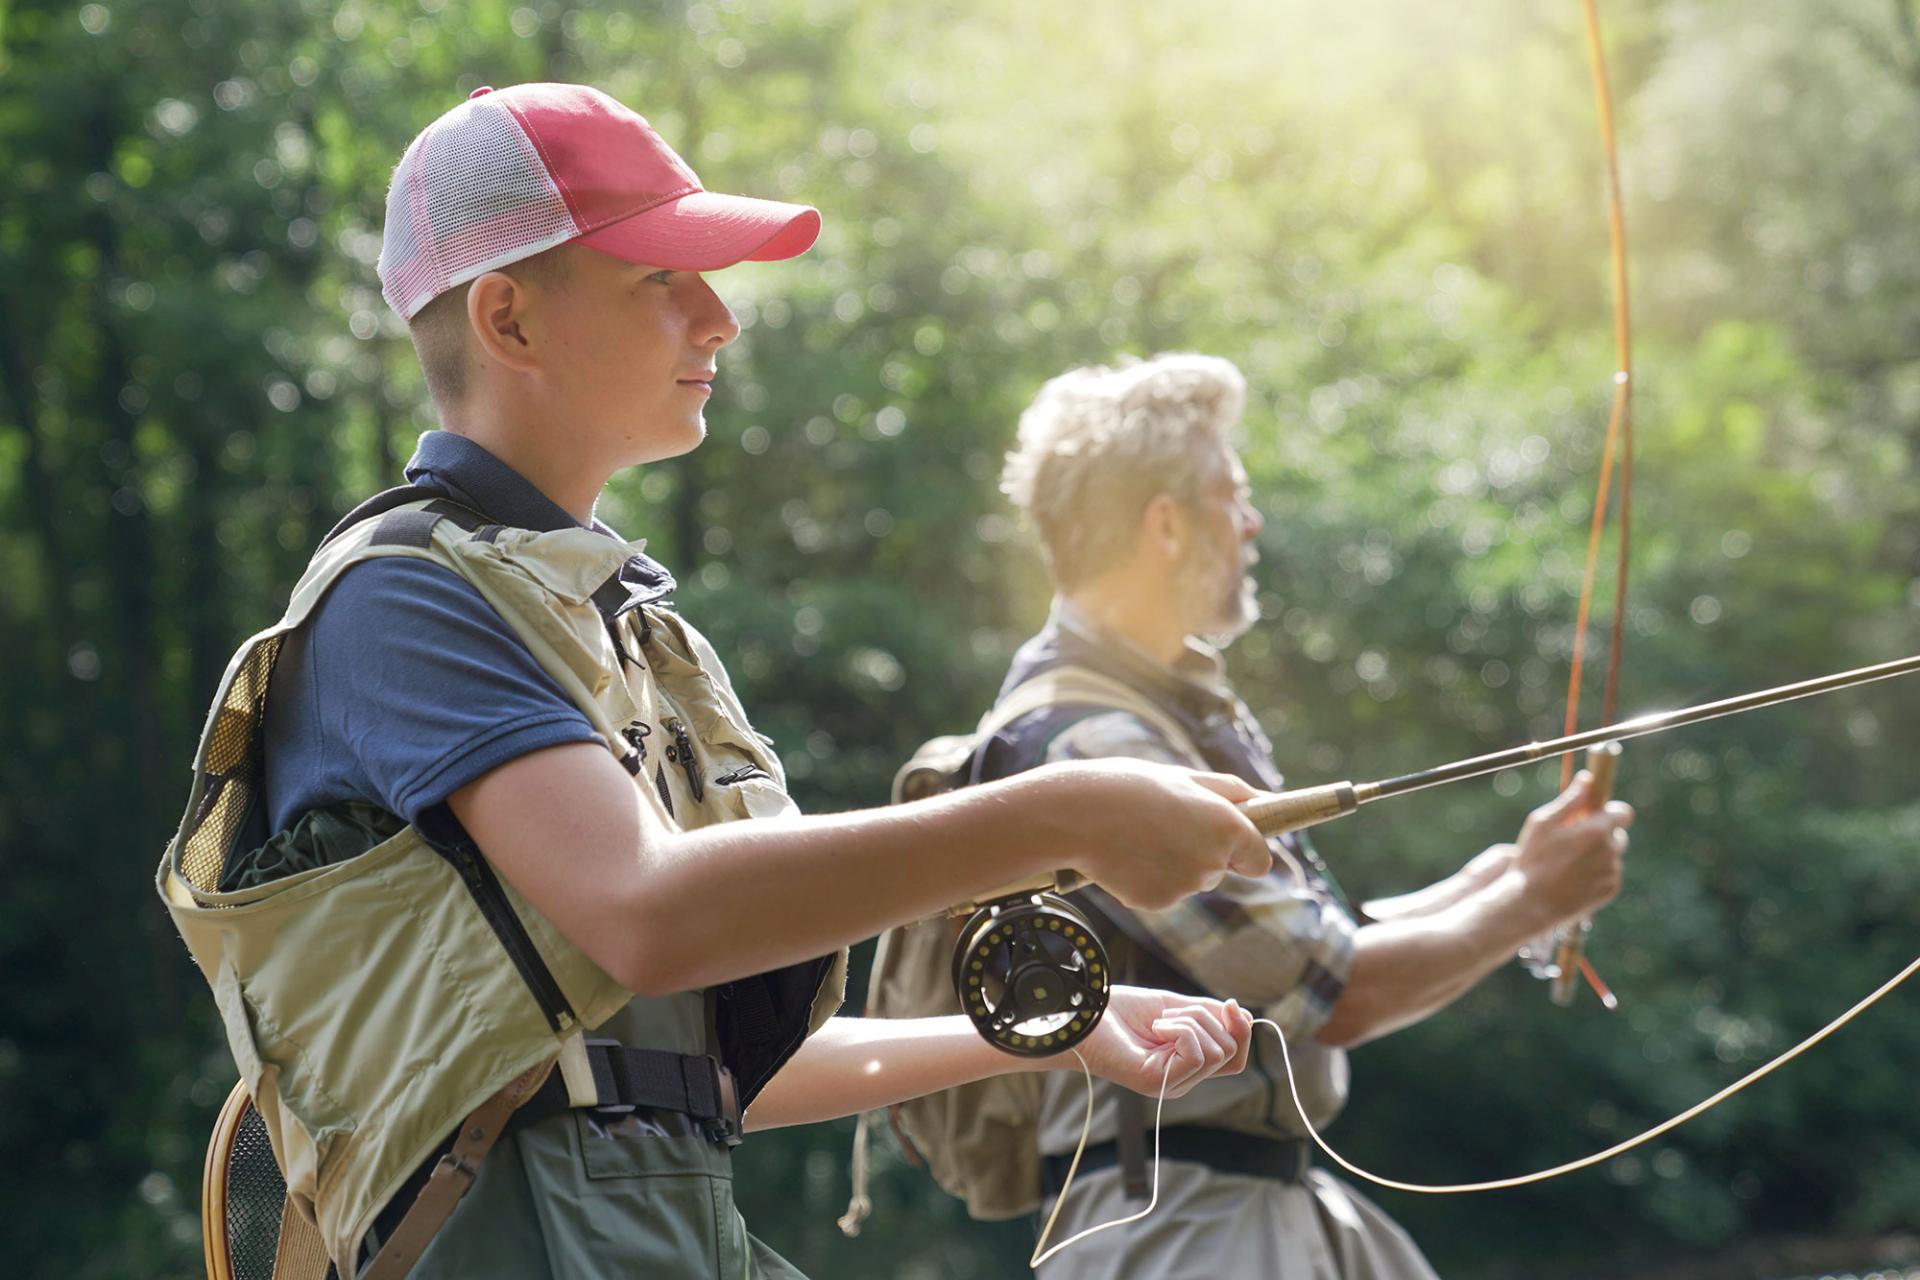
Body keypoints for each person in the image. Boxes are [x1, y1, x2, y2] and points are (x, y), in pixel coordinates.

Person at [156, 86, 1268, 1279]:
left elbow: (710, 1070)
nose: (721, 319)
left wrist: (1060, 1037)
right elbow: (650, 912)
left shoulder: (632, 632)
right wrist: (1069, 816)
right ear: (509, 320)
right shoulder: (404, 598)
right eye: (661, 280)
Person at [979, 353, 1635, 1278]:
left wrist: (1501, 881)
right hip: (1172, 1225)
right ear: (1164, 524)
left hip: (1261, 1205)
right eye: (1233, 494)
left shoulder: (1168, 713)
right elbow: (1330, 994)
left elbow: (1311, 948)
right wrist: (1529, 901)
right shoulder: (1089, 740)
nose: (1252, 523)